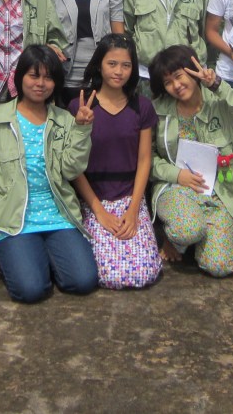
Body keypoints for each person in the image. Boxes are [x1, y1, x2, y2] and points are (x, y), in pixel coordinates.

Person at [0, 45, 98, 303]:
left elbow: (72, 169)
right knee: (30, 290)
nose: (40, 84)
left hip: (59, 216)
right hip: (13, 220)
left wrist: (81, 130)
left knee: (83, 281)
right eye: (34, 75)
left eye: (48, 78)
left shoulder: (64, 119)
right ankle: (26, 258)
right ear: (20, 77)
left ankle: (40, 257)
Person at [148, 45, 233, 277]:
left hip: (219, 194)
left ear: (193, 71)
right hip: (176, 188)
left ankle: (191, 240)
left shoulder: (219, 101)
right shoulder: (158, 112)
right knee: (187, 229)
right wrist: (177, 175)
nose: (176, 85)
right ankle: (179, 236)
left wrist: (217, 85)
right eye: (168, 82)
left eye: (179, 76)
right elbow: (147, 157)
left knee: (220, 267)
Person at [68, 34, 161, 289]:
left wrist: (134, 209)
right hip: (93, 200)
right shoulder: (80, 106)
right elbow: (73, 166)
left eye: (126, 65)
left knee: (144, 273)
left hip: (130, 197)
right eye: (112, 64)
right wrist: (98, 210)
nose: (119, 71)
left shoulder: (142, 107)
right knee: (108, 274)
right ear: (99, 65)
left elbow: (144, 160)